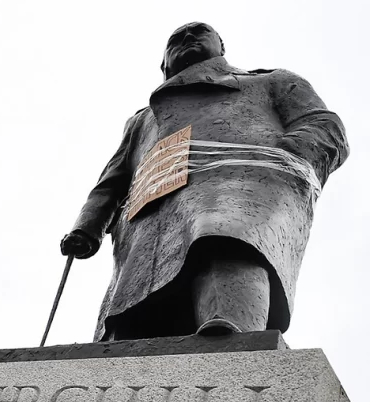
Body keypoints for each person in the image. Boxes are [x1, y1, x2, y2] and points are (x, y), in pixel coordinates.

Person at [61, 22, 348, 341]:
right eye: (175, 40)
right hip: (151, 211)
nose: (186, 39)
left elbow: (324, 127)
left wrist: (275, 161)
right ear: (163, 64)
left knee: (225, 240)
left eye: (198, 33)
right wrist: (87, 226)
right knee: (134, 301)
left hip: (240, 185)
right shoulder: (142, 120)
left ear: (221, 47)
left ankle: (232, 326)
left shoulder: (272, 81)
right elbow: (112, 181)